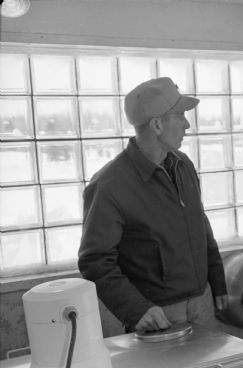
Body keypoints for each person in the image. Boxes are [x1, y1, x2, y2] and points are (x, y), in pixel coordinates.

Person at [78, 77, 227, 333]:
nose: (187, 124)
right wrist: (136, 309)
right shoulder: (108, 186)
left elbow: (200, 226)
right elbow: (95, 261)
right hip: (158, 314)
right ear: (157, 124)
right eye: (180, 115)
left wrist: (217, 281)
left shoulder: (183, 165)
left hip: (202, 301)